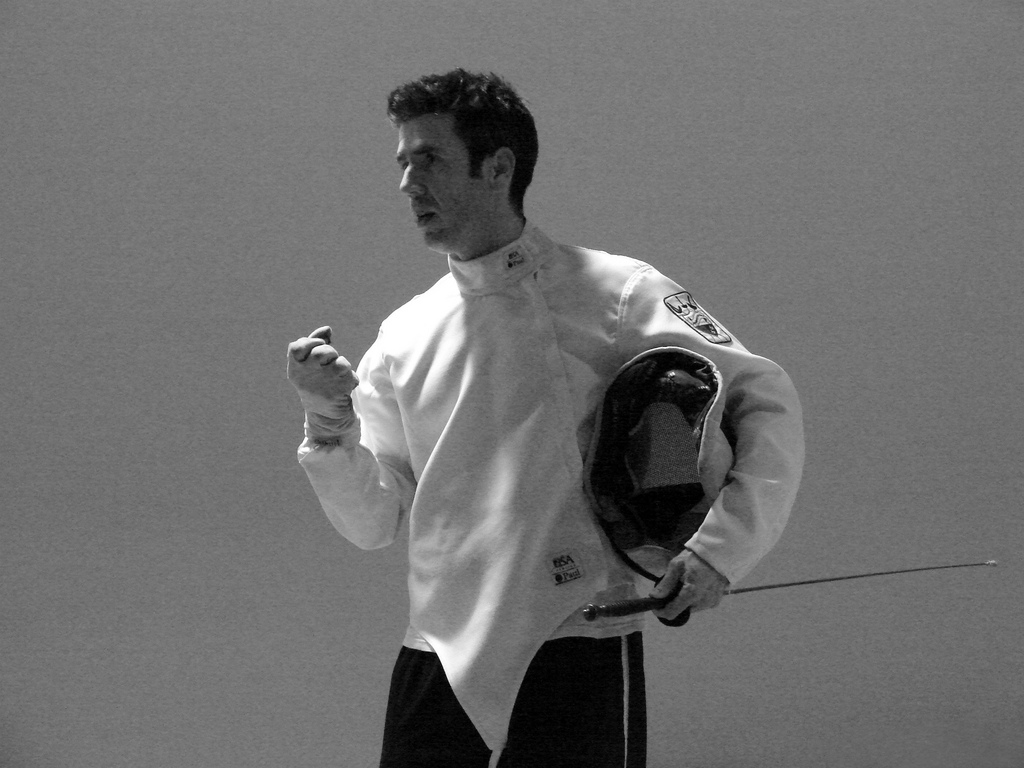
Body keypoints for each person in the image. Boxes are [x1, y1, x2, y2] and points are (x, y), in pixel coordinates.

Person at [286, 69, 804, 768]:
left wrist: (720, 549)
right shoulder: (403, 336)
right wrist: (328, 422)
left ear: (498, 167)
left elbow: (765, 400)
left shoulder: (620, 292)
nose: (408, 183)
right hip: (438, 657)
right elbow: (373, 522)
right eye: (403, 162)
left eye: (429, 159)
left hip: (578, 644)